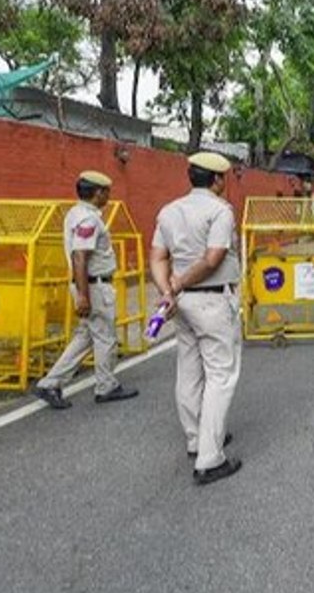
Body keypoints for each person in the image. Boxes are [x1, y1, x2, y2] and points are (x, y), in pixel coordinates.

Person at [151, 152, 243, 486]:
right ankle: (209, 458)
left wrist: (167, 289)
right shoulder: (220, 211)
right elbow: (214, 257)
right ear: (218, 180)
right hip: (212, 301)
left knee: (189, 370)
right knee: (220, 375)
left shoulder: (169, 211)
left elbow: (158, 256)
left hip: (183, 304)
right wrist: (178, 283)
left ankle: (196, 439)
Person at [32, 170, 138, 409]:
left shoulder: (75, 213)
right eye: (106, 192)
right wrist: (83, 295)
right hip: (94, 286)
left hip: (87, 285)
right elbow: (80, 257)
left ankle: (50, 383)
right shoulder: (89, 219)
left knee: (85, 337)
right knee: (105, 338)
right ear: (98, 193)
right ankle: (106, 386)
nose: (108, 196)